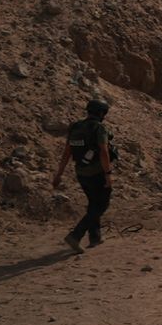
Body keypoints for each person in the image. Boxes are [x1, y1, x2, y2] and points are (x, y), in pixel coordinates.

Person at [52, 98, 114, 254]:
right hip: (97, 173)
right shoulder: (99, 128)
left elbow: (67, 153)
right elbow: (104, 152)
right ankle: (75, 235)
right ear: (100, 113)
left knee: (93, 203)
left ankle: (95, 237)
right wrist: (108, 174)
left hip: (81, 173)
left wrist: (59, 174)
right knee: (102, 205)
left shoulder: (76, 127)